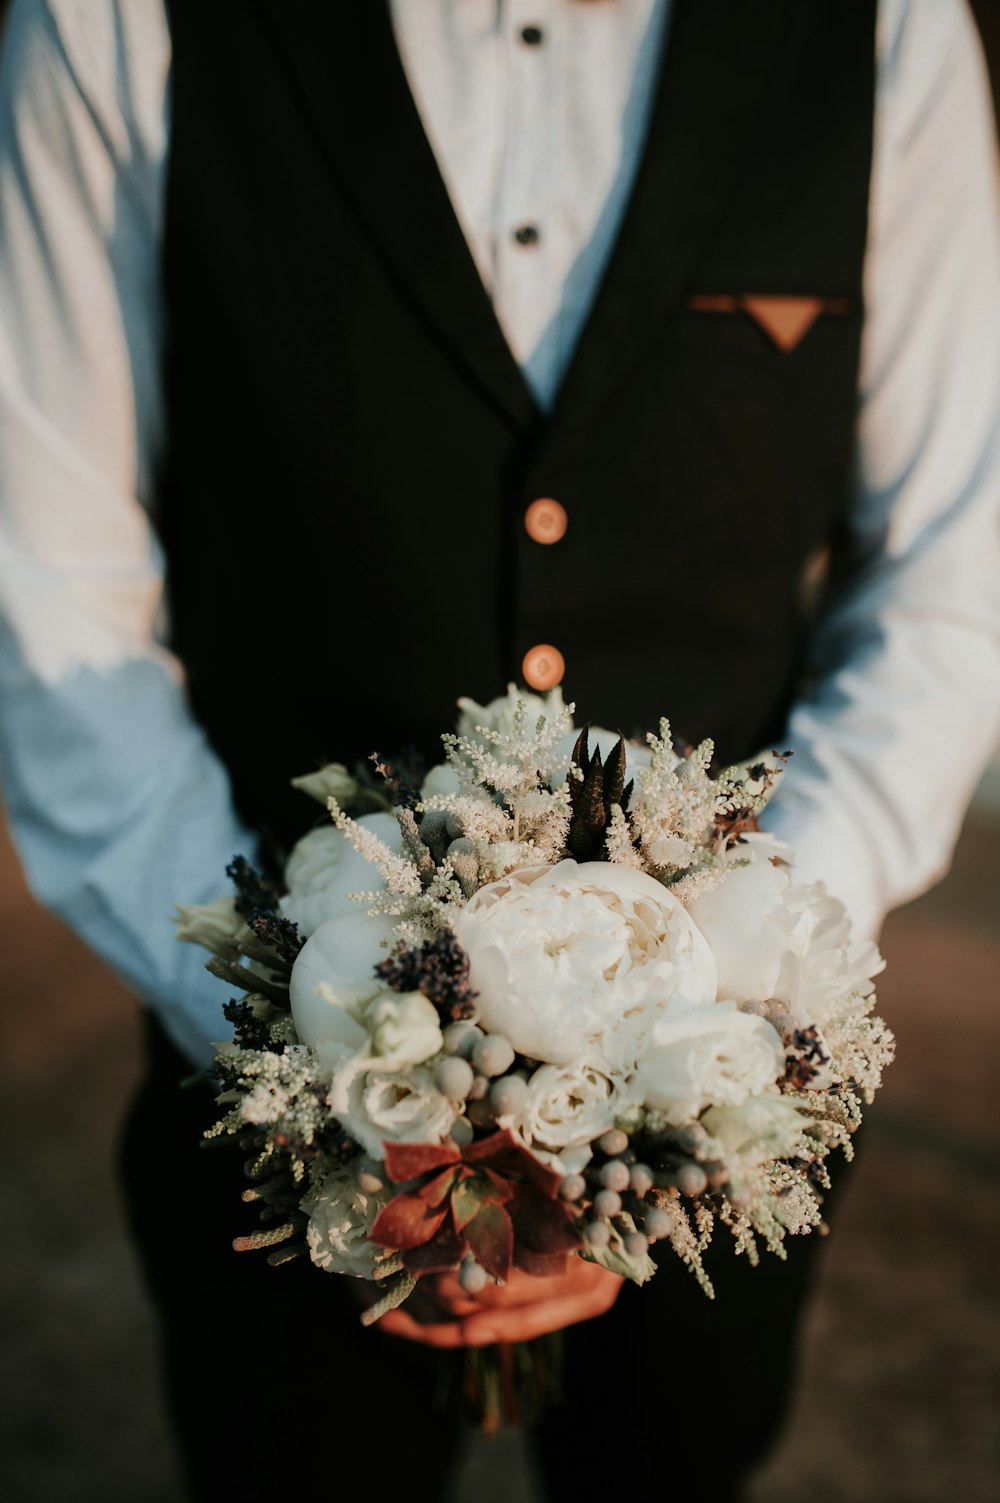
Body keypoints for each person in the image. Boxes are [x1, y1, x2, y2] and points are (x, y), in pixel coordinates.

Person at [2, 1, 999, 1499]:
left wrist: (728, 1012)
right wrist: (314, 1056)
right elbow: (50, 586)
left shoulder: (889, 28)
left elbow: (947, 587)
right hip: (269, 1108)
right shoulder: (110, 21)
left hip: (717, 1120)